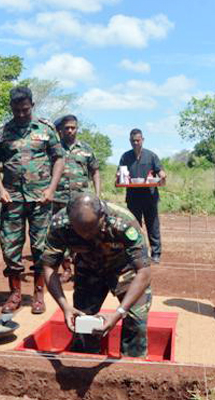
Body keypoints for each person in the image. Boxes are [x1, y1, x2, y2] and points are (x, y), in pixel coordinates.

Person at [42, 193, 152, 357]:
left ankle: (132, 367)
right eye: (81, 231)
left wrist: (119, 312)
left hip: (124, 269)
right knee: (82, 324)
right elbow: (49, 267)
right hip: (89, 268)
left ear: (103, 215)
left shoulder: (124, 222)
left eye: (91, 229)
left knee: (136, 320)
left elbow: (144, 272)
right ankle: (83, 366)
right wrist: (64, 305)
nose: (86, 235)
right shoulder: (60, 224)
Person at [0, 86, 64, 315]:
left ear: (32, 105)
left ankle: (39, 293)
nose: (21, 114)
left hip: (41, 198)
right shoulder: (2, 133)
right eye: (17, 110)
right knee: (10, 247)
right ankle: (15, 293)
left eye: (25, 110)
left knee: (41, 248)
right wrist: (0, 189)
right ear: (11, 108)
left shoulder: (46, 129)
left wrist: (51, 189)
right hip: (12, 199)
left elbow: (59, 159)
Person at [52, 114, 101, 282]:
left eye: (73, 127)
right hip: (58, 198)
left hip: (81, 201)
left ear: (77, 128)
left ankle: (83, 268)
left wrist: (97, 194)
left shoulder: (86, 149)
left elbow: (95, 170)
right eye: (67, 128)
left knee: (83, 233)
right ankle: (66, 268)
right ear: (61, 130)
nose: (70, 130)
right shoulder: (55, 149)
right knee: (62, 233)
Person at [117, 129, 166, 264]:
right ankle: (136, 252)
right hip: (133, 197)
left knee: (153, 225)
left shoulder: (151, 156)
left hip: (150, 196)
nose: (135, 143)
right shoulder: (125, 157)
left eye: (138, 140)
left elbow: (160, 171)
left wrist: (162, 176)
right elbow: (120, 174)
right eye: (133, 140)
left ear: (143, 140)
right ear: (130, 141)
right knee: (134, 226)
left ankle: (156, 253)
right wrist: (120, 179)